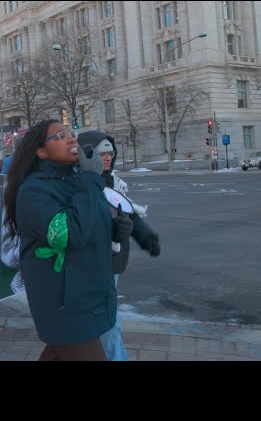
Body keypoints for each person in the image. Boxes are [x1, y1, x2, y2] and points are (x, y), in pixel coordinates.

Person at [3, 119, 133, 361]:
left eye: (71, 134)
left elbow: (86, 223)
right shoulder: (35, 189)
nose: (72, 139)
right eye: (61, 137)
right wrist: (92, 179)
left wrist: (114, 230)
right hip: (65, 304)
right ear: (41, 152)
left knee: (57, 354)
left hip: (89, 295)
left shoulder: (77, 181)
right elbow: (67, 236)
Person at [76, 130, 160, 361]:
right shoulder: (78, 185)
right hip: (91, 263)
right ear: (86, 154)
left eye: (110, 153)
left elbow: (129, 214)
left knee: (105, 320)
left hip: (113, 261)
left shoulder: (114, 182)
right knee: (108, 322)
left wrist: (145, 237)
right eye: (101, 153)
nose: (107, 158)